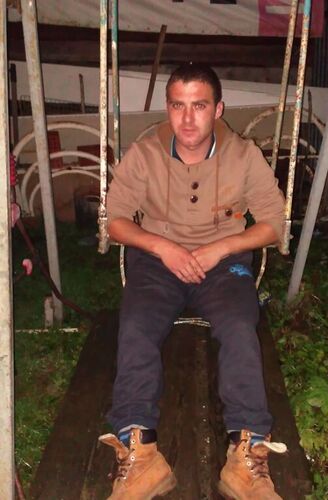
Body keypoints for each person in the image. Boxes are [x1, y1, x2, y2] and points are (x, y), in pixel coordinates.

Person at [99, 63, 286, 500]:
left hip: (222, 263)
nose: (186, 119)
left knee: (239, 327)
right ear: (167, 108)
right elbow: (116, 220)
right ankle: (140, 453)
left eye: (199, 106)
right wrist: (162, 247)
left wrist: (221, 248)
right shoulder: (145, 152)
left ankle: (246, 456)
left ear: (217, 109)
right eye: (177, 106)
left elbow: (274, 224)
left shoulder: (243, 155)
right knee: (136, 327)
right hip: (156, 261)